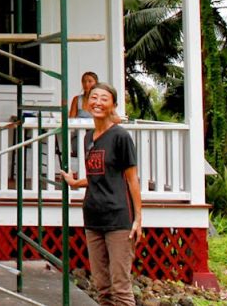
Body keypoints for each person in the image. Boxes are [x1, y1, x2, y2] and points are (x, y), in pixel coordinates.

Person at [60, 82, 142, 306]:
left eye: (104, 98)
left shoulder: (120, 136)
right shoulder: (88, 138)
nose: (97, 102)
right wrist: (76, 182)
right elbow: (99, 174)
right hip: (93, 217)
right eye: (93, 98)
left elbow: (132, 178)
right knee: (102, 288)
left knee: (121, 288)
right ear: (87, 103)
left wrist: (138, 219)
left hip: (119, 219)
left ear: (113, 105)